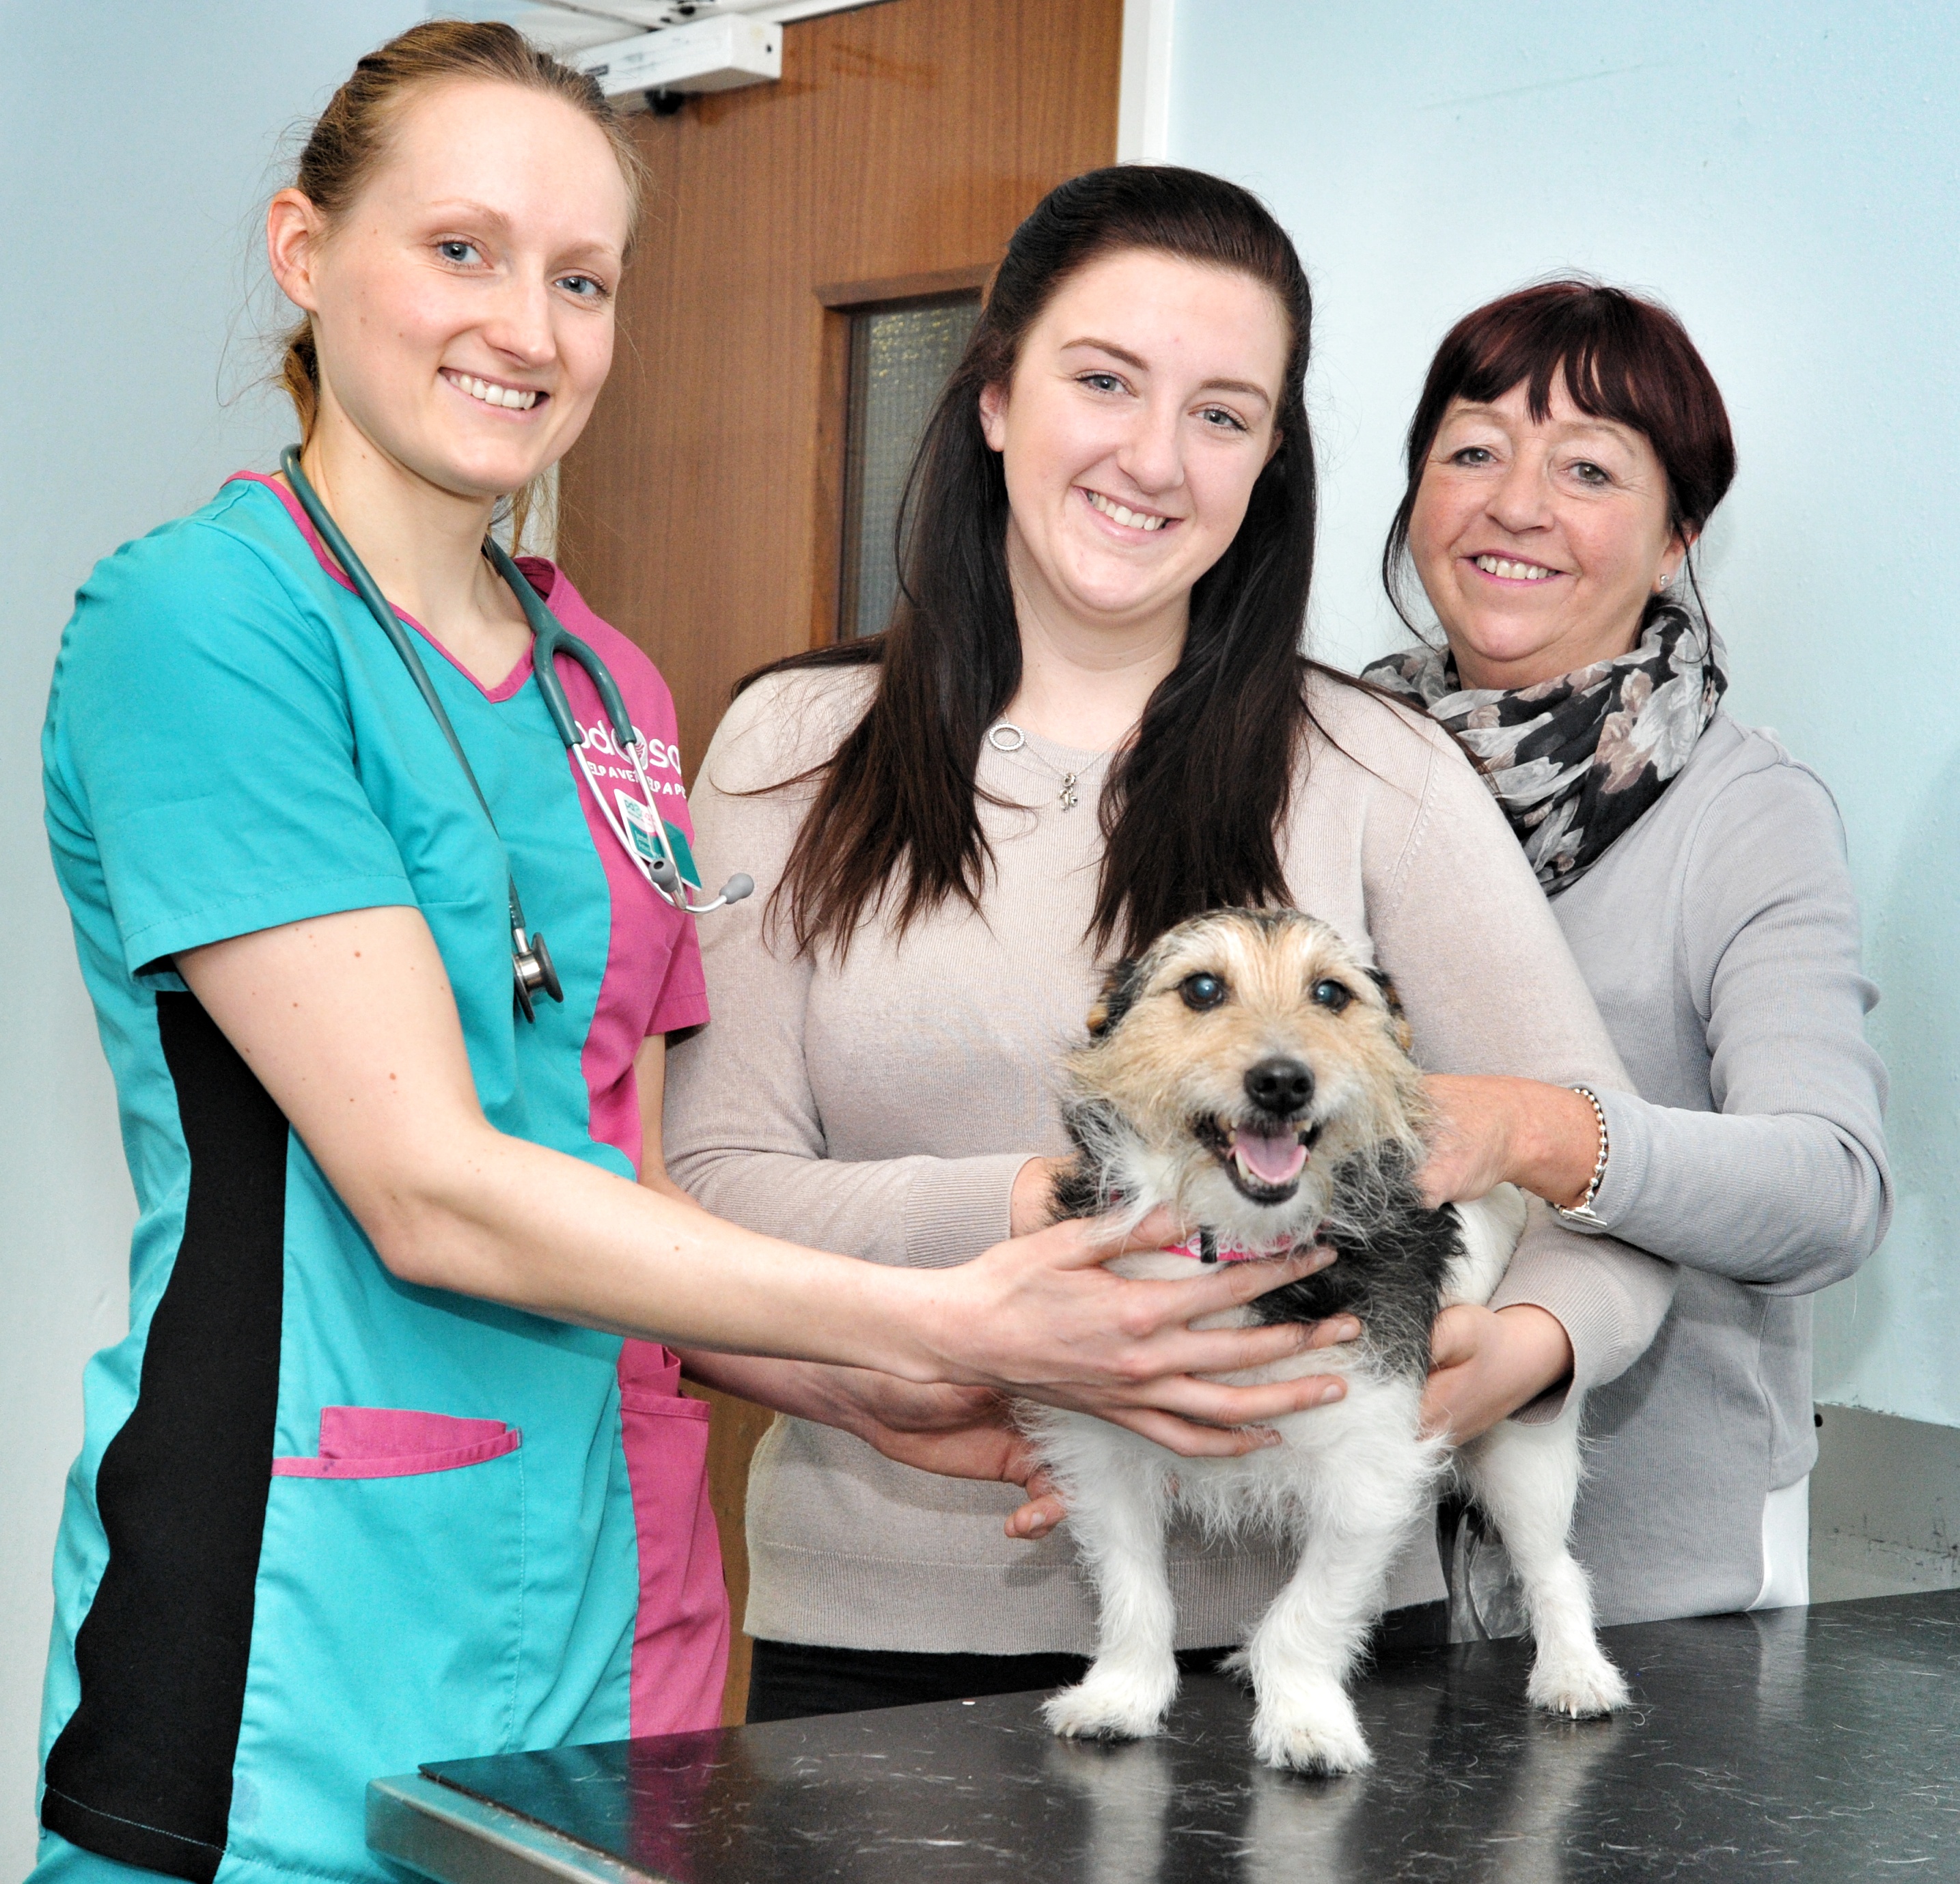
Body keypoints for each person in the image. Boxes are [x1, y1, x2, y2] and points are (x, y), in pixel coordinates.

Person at [30, 37, 1358, 1884]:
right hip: (297, 1589)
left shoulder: (610, 687)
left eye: (582, 280)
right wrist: (935, 1315)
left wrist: (842, 1388)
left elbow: (624, 1177)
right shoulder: (205, 625)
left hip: (605, 1585)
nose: (531, 325)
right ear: (303, 248)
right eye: (463, 250)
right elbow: (428, 1187)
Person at [663, 166, 1677, 1725]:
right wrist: (1056, 1209)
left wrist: (1516, 1350)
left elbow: (1600, 1180)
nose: (1153, 457)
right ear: (993, 394)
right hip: (883, 1641)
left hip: (1323, 1662)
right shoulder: (790, 746)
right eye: (1103, 381)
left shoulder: (1379, 768)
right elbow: (705, 1191)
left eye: (1221, 412)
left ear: (1271, 458)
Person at [1362, 279, 1890, 1625]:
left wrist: (1545, 1132)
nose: (1515, 503)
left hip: (1647, 1604)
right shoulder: (1328, 770)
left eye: (1587, 466)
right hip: (1336, 1582)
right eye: (1472, 449)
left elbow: (1829, 1188)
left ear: (1674, 540)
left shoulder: (1743, 812)